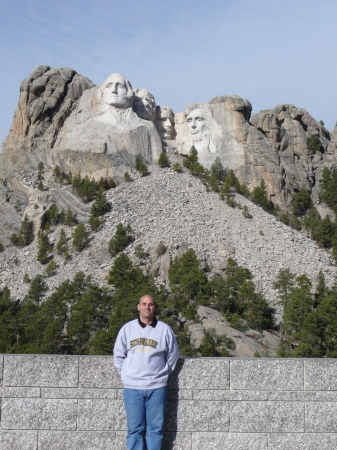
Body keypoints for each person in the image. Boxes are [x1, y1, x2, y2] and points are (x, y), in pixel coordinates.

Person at [114, 294, 180, 450]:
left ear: (154, 308)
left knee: (155, 430)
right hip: (132, 388)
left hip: (157, 387)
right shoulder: (127, 329)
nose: (147, 307)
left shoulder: (164, 330)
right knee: (135, 430)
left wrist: (162, 373)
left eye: (150, 304)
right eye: (144, 304)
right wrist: (126, 374)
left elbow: (173, 355)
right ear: (138, 307)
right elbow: (118, 355)